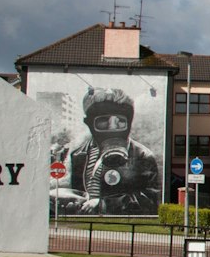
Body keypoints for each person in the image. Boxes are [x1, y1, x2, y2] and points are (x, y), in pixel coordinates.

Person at [51, 87, 162, 215]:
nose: (113, 127)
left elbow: (151, 200)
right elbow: (76, 191)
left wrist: (103, 204)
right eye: (104, 121)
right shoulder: (78, 156)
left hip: (119, 224)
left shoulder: (143, 156)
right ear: (89, 123)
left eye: (120, 121)